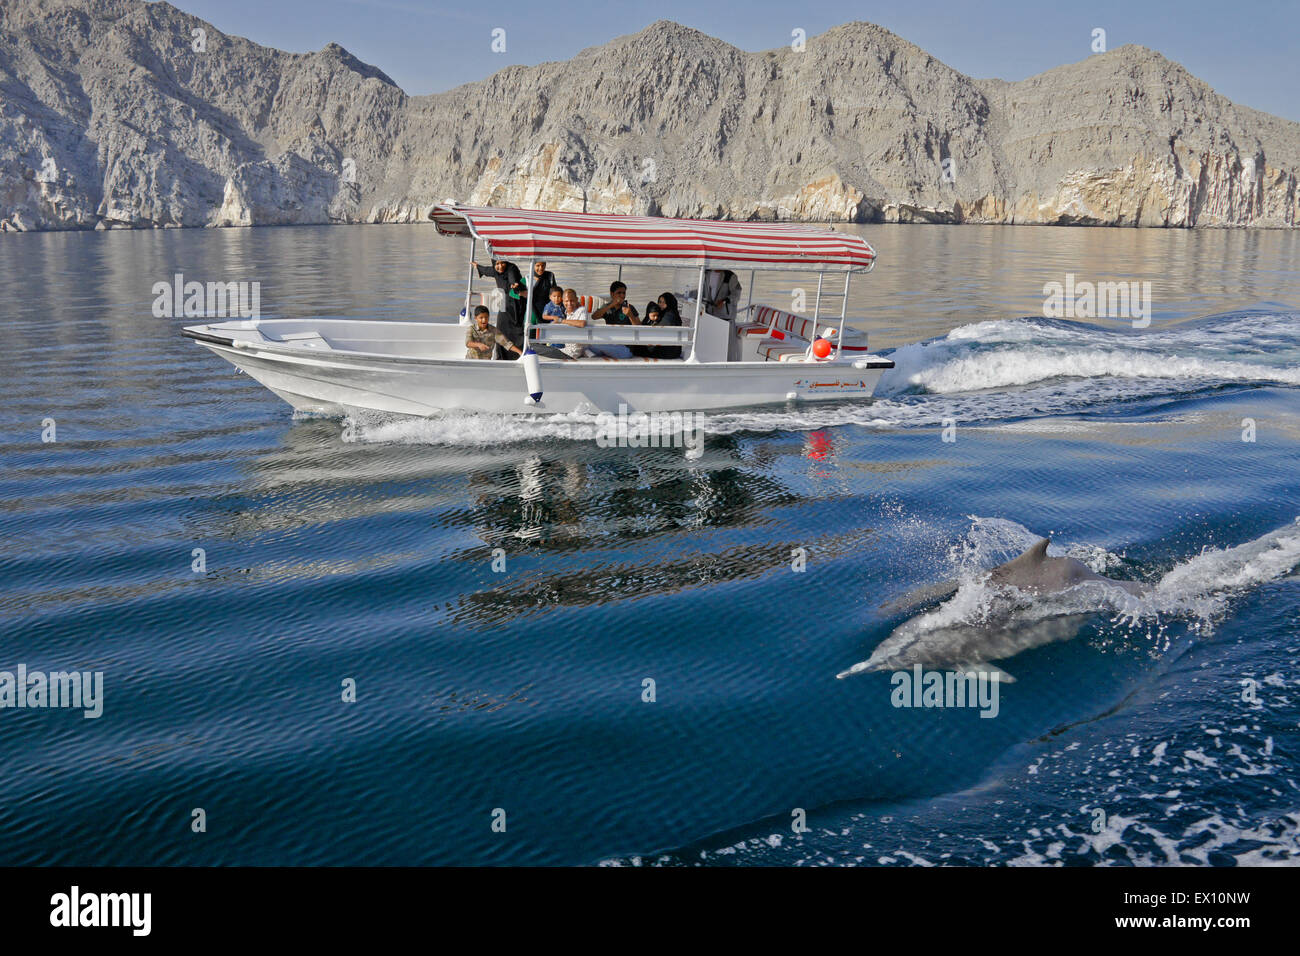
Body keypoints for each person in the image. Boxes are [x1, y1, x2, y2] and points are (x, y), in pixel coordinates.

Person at [475, 258, 526, 356]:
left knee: (517, 328)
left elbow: (512, 278)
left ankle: (518, 354)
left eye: (503, 263)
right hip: (505, 303)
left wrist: (514, 284)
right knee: (501, 328)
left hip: (516, 303)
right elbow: (486, 270)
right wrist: (477, 266)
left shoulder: (511, 268)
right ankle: (501, 355)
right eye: (497, 263)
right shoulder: (495, 270)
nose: (500, 266)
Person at [554, 289, 591, 360]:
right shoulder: (566, 312)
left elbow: (582, 323)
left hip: (574, 352)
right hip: (567, 347)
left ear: (577, 299)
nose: (569, 303)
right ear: (563, 301)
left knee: (538, 349)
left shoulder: (581, 310)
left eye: (572, 300)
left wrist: (561, 320)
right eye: (566, 301)